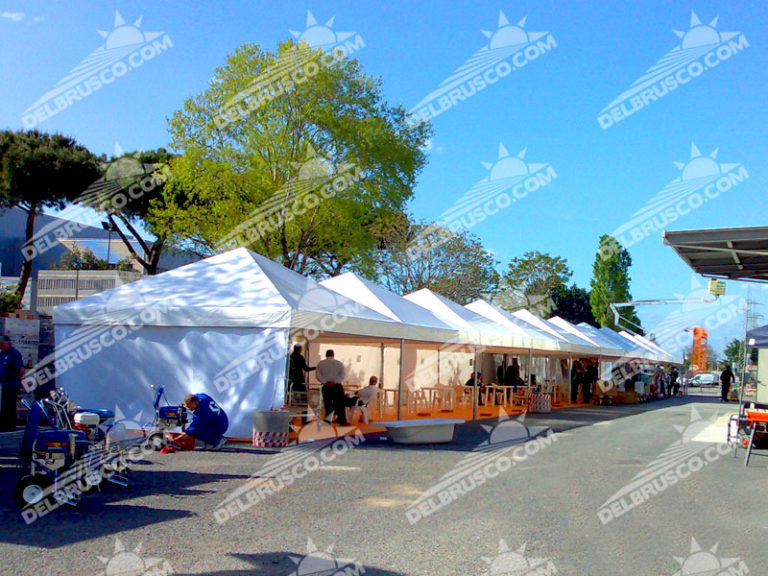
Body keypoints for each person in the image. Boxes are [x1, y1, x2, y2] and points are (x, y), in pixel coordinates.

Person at [316, 349, 348, 425]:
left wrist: (325, 382)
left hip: (326, 386)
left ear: (326, 355)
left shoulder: (321, 363)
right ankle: (342, 420)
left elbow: (318, 375)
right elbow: (342, 375)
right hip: (337, 386)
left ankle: (327, 421)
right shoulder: (339, 363)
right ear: (333, 355)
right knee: (340, 403)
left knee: (328, 404)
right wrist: (335, 382)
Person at [0, 335, 24, 432]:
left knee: (9, 405)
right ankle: (3, 424)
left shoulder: (14, 354)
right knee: (4, 405)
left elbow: (21, 369)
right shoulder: (2, 354)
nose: (1, 347)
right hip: (4, 384)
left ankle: (9, 426)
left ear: (8, 343)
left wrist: (22, 381)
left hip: (12, 384)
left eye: (2, 344)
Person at [289, 344, 315, 423]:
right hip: (300, 381)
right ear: (300, 349)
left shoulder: (290, 357)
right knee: (304, 401)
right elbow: (306, 368)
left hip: (292, 382)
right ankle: (304, 420)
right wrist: (315, 367)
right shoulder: (300, 358)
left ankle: (291, 419)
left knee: (292, 401)